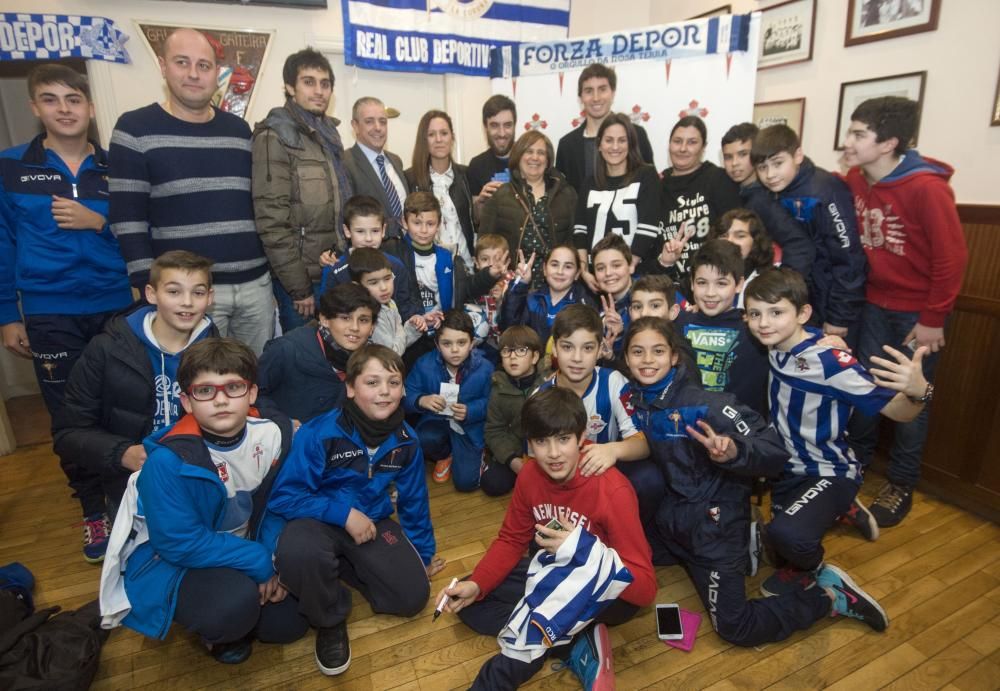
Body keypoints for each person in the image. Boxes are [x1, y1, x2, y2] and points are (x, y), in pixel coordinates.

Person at [625, 317, 890, 648]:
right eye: (638, 352)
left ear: (675, 356)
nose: (647, 360)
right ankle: (752, 540)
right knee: (637, 562)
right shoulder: (636, 400)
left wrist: (734, 451)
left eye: (658, 351)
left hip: (714, 529)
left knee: (737, 628)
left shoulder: (707, 404)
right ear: (626, 358)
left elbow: (773, 450)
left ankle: (828, 598)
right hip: (675, 523)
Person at [99, 338, 308, 665]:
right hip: (179, 560)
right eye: (206, 391)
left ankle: (246, 606)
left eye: (233, 387)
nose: (221, 400)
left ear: (252, 393)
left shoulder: (270, 435)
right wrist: (261, 562)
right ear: (186, 401)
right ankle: (217, 631)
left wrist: (273, 557)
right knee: (230, 608)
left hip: (241, 543)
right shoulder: (166, 462)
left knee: (288, 626)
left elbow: (275, 503)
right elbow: (179, 543)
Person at [436, 387, 656, 690]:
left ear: (581, 438)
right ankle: (574, 641)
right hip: (551, 570)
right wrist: (478, 584)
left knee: (526, 632)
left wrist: (582, 550)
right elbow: (512, 539)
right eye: (541, 441)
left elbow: (645, 591)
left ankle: (545, 632)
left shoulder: (612, 490)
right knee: (471, 601)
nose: (553, 454)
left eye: (564, 439)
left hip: (603, 591)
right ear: (528, 444)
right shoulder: (529, 474)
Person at [0, 64, 132, 561]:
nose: (65, 108)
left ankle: (125, 499)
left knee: (122, 405)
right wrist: (6, 314)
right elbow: (3, 243)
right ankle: (92, 510)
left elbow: (141, 231)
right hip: (49, 310)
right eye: (51, 100)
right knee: (71, 416)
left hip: (116, 304)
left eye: (73, 99)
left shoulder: (116, 167)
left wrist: (100, 222)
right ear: (36, 108)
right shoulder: (11, 167)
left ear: (89, 107)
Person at [744, 268, 933, 596]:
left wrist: (920, 392)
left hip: (829, 470)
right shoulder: (774, 342)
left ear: (802, 313)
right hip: (788, 469)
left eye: (776, 312)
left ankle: (819, 573)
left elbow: (899, 412)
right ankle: (844, 510)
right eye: (755, 314)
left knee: (787, 536)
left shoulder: (832, 362)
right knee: (777, 550)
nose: (763, 323)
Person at [267, 345, 445, 676]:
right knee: (300, 552)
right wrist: (343, 514)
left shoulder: (407, 440)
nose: (384, 392)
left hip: (372, 523)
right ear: (350, 387)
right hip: (317, 521)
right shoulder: (319, 432)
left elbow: (414, 502)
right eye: (372, 382)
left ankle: (338, 568)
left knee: (412, 597)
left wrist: (422, 554)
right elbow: (285, 496)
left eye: (393, 383)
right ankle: (329, 620)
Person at [841, 96, 968, 527]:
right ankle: (852, 470)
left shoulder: (927, 188)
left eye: (859, 134)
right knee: (863, 390)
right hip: (873, 305)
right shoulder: (856, 180)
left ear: (889, 142)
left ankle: (901, 483)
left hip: (917, 314)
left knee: (915, 396)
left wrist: (932, 319)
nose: (849, 141)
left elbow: (951, 261)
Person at [109, 28, 273, 354]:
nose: (194, 74)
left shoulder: (238, 130)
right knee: (193, 386)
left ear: (217, 72)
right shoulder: (134, 128)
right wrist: (146, 285)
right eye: (182, 62)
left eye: (204, 65)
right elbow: (127, 219)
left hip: (255, 286)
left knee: (255, 380)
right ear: (163, 66)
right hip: (188, 293)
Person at [54, 250, 217, 535]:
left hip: (198, 478)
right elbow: (69, 433)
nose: (188, 302)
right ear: (151, 294)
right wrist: (123, 453)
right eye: (174, 291)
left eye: (198, 292)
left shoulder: (219, 352)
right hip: (129, 483)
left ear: (210, 297)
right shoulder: (106, 349)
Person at [251, 48, 353, 333]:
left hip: (333, 269)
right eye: (309, 82)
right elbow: (272, 222)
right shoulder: (276, 136)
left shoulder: (327, 135)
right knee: (303, 363)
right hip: (303, 280)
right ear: (289, 87)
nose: (319, 91)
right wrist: (299, 288)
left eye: (325, 83)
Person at [535, 304, 658, 522]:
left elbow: (643, 444)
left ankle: (636, 535)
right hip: (560, 482)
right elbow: (532, 464)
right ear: (554, 348)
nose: (577, 358)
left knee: (649, 479)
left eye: (588, 348)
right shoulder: (539, 397)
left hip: (603, 473)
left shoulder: (613, 382)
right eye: (567, 347)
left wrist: (612, 450)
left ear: (601, 349)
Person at [751, 125, 867, 343]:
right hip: (807, 299)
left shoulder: (825, 191)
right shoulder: (774, 192)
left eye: (778, 164)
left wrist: (840, 317)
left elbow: (849, 258)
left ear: (798, 155)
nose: (770, 174)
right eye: (762, 167)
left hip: (834, 306)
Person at [386, 191, 500, 367]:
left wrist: (489, 275)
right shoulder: (392, 254)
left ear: (439, 224)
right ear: (404, 222)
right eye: (417, 223)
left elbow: (465, 289)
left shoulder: (449, 256)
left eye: (430, 224)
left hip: (440, 335)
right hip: (408, 336)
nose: (424, 230)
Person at [256, 282, 378, 427]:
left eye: (363, 320)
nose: (355, 328)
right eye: (345, 318)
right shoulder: (287, 349)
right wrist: (282, 423)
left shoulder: (374, 362)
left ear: (372, 328)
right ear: (324, 319)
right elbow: (253, 393)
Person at [675, 239, 769, 416]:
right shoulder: (678, 324)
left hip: (742, 432)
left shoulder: (755, 326)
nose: (711, 293)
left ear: (739, 284)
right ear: (692, 283)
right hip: (687, 427)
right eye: (702, 282)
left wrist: (820, 338)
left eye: (721, 283)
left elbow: (790, 332)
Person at [404, 310, 494, 489]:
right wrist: (421, 400)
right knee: (422, 439)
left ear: (472, 343)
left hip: (468, 429)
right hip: (436, 422)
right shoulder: (424, 364)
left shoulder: (485, 368)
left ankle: (476, 454)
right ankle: (444, 455)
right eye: (447, 343)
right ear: (437, 344)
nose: (454, 350)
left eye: (461, 343)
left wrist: (471, 410)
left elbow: (493, 402)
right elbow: (405, 395)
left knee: (466, 484)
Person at [479, 131, 577, 291]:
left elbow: (574, 241)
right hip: (511, 286)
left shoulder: (567, 194)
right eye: (529, 151)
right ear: (518, 156)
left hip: (556, 285)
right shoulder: (500, 195)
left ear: (548, 160)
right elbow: (484, 243)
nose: (535, 157)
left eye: (541, 153)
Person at [573, 113, 661, 291]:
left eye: (622, 140)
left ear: (631, 144)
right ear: (599, 144)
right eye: (609, 140)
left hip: (636, 277)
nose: (615, 147)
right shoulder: (590, 182)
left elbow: (648, 226)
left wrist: (627, 269)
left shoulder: (646, 175)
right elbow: (580, 230)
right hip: (596, 279)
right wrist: (584, 271)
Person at [720, 122, 813, 277]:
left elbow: (799, 244)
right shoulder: (744, 191)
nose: (734, 163)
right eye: (728, 157)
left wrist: (783, 288)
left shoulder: (763, 199)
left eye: (743, 154)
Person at [657, 115, 742, 283]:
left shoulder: (719, 179)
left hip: (712, 281)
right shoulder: (657, 183)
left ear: (703, 147)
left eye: (692, 142)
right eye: (677, 141)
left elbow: (735, 234)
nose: (682, 148)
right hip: (666, 281)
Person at [320, 194, 421, 323]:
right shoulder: (335, 271)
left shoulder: (396, 266)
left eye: (375, 231)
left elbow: (405, 306)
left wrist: (416, 320)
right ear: (347, 231)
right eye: (360, 232)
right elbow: (325, 310)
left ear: (383, 230)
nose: (368, 239)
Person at [555, 63, 655, 193]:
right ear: (581, 98)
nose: (596, 98)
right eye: (589, 91)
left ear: (612, 93)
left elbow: (650, 185)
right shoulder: (567, 145)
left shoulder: (636, 134)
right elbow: (563, 197)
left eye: (602, 89)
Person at [481, 325, 548, 497]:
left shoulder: (548, 384)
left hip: (545, 450)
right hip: (514, 451)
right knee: (491, 484)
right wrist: (513, 461)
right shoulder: (498, 388)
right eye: (506, 351)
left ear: (534, 357)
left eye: (521, 351)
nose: (512, 357)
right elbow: (493, 431)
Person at [405, 109, 475, 267]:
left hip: (466, 267)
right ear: (424, 140)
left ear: (452, 137)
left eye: (444, 133)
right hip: (427, 270)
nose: (438, 139)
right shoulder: (410, 179)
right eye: (431, 134)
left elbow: (474, 223)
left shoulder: (466, 175)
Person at [499, 244, 596, 351]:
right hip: (530, 364)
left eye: (568, 266)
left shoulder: (584, 305)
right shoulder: (532, 300)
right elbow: (509, 328)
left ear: (577, 273)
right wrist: (521, 284)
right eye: (554, 265)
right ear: (544, 269)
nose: (560, 271)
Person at [343, 97, 409, 240]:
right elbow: (348, 217)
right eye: (369, 121)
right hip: (370, 257)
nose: (378, 127)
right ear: (355, 126)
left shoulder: (396, 161)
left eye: (383, 121)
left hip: (406, 254)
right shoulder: (344, 162)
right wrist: (399, 225)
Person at [348, 248, 420, 355]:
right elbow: (392, 353)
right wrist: (398, 327)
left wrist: (414, 327)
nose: (383, 288)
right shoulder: (371, 315)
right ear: (358, 286)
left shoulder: (390, 303)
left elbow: (398, 343)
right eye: (373, 283)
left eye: (387, 278)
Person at [467, 95, 516, 215]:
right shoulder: (476, 165)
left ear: (515, 125)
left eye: (508, 125)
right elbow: (477, 220)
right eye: (494, 125)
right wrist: (481, 203)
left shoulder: (529, 160)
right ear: (485, 127)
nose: (502, 133)